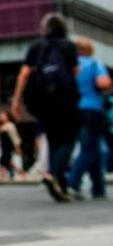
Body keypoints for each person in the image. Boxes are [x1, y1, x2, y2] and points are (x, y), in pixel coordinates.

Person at [11, 12, 80, 202]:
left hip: (43, 102)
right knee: (68, 141)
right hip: (66, 100)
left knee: (53, 141)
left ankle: (61, 188)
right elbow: (75, 72)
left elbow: (24, 74)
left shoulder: (36, 47)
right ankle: (54, 175)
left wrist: (16, 99)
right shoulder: (68, 46)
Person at [67, 37, 111, 200]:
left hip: (75, 109)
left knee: (95, 148)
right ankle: (73, 183)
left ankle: (98, 188)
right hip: (93, 108)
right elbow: (103, 82)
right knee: (89, 148)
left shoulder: (72, 67)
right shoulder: (94, 63)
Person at [0, 111, 23, 180]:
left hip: (9, 146)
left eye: (3, 116)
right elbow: (1, 138)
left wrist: (17, 147)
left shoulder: (10, 125)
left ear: (7, 116)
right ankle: (19, 172)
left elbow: (14, 137)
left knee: (2, 160)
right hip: (4, 146)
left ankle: (2, 176)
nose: (1, 117)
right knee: (8, 161)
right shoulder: (1, 126)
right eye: (0, 116)